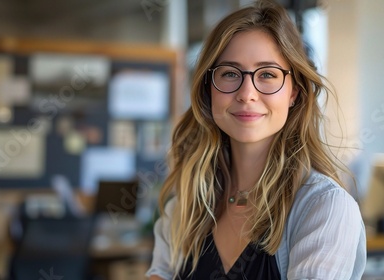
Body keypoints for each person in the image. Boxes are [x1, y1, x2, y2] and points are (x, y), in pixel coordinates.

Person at [146, 0, 366, 279]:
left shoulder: (325, 208)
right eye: (229, 73)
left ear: (294, 92)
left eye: (267, 74)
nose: (247, 93)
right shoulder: (184, 207)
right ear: (207, 88)